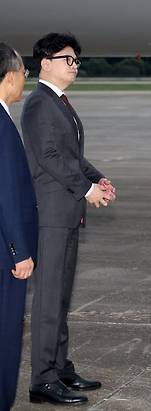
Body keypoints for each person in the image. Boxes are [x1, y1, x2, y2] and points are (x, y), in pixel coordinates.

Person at [21, 32, 117, 405]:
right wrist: (86, 189)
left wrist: (97, 178)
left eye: (76, 60)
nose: (74, 66)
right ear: (45, 63)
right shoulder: (40, 104)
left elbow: (73, 156)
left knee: (60, 297)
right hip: (51, 214)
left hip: (66, 212)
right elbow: (50, 157)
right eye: (67, 59)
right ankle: (42, 380)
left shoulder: (58, 103)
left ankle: (59, 367)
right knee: (48, 299)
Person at [0, 42, 38, 411]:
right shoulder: (0, 123)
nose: (25, 78)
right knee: (6, 337)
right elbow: (6, 194)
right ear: (9, 76)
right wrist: (20, 251)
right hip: (5, 256)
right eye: (24, 71)